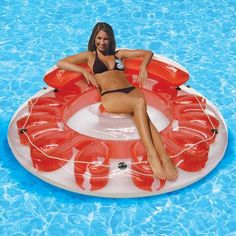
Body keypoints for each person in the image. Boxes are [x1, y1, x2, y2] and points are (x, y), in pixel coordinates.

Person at [57, 22, 177, 180]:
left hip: (130, 91)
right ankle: (152, 154)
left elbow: (148, 52)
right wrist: (83, 71)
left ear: (110, 40)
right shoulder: (89, 56)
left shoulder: (118, 55)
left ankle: (166, 160)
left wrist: (142, 68)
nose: (102, 42)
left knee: (145, 118)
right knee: (140, 103)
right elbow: (61, 62)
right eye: (99, 38)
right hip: (111, 96)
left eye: (106, 39)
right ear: (94, 38)